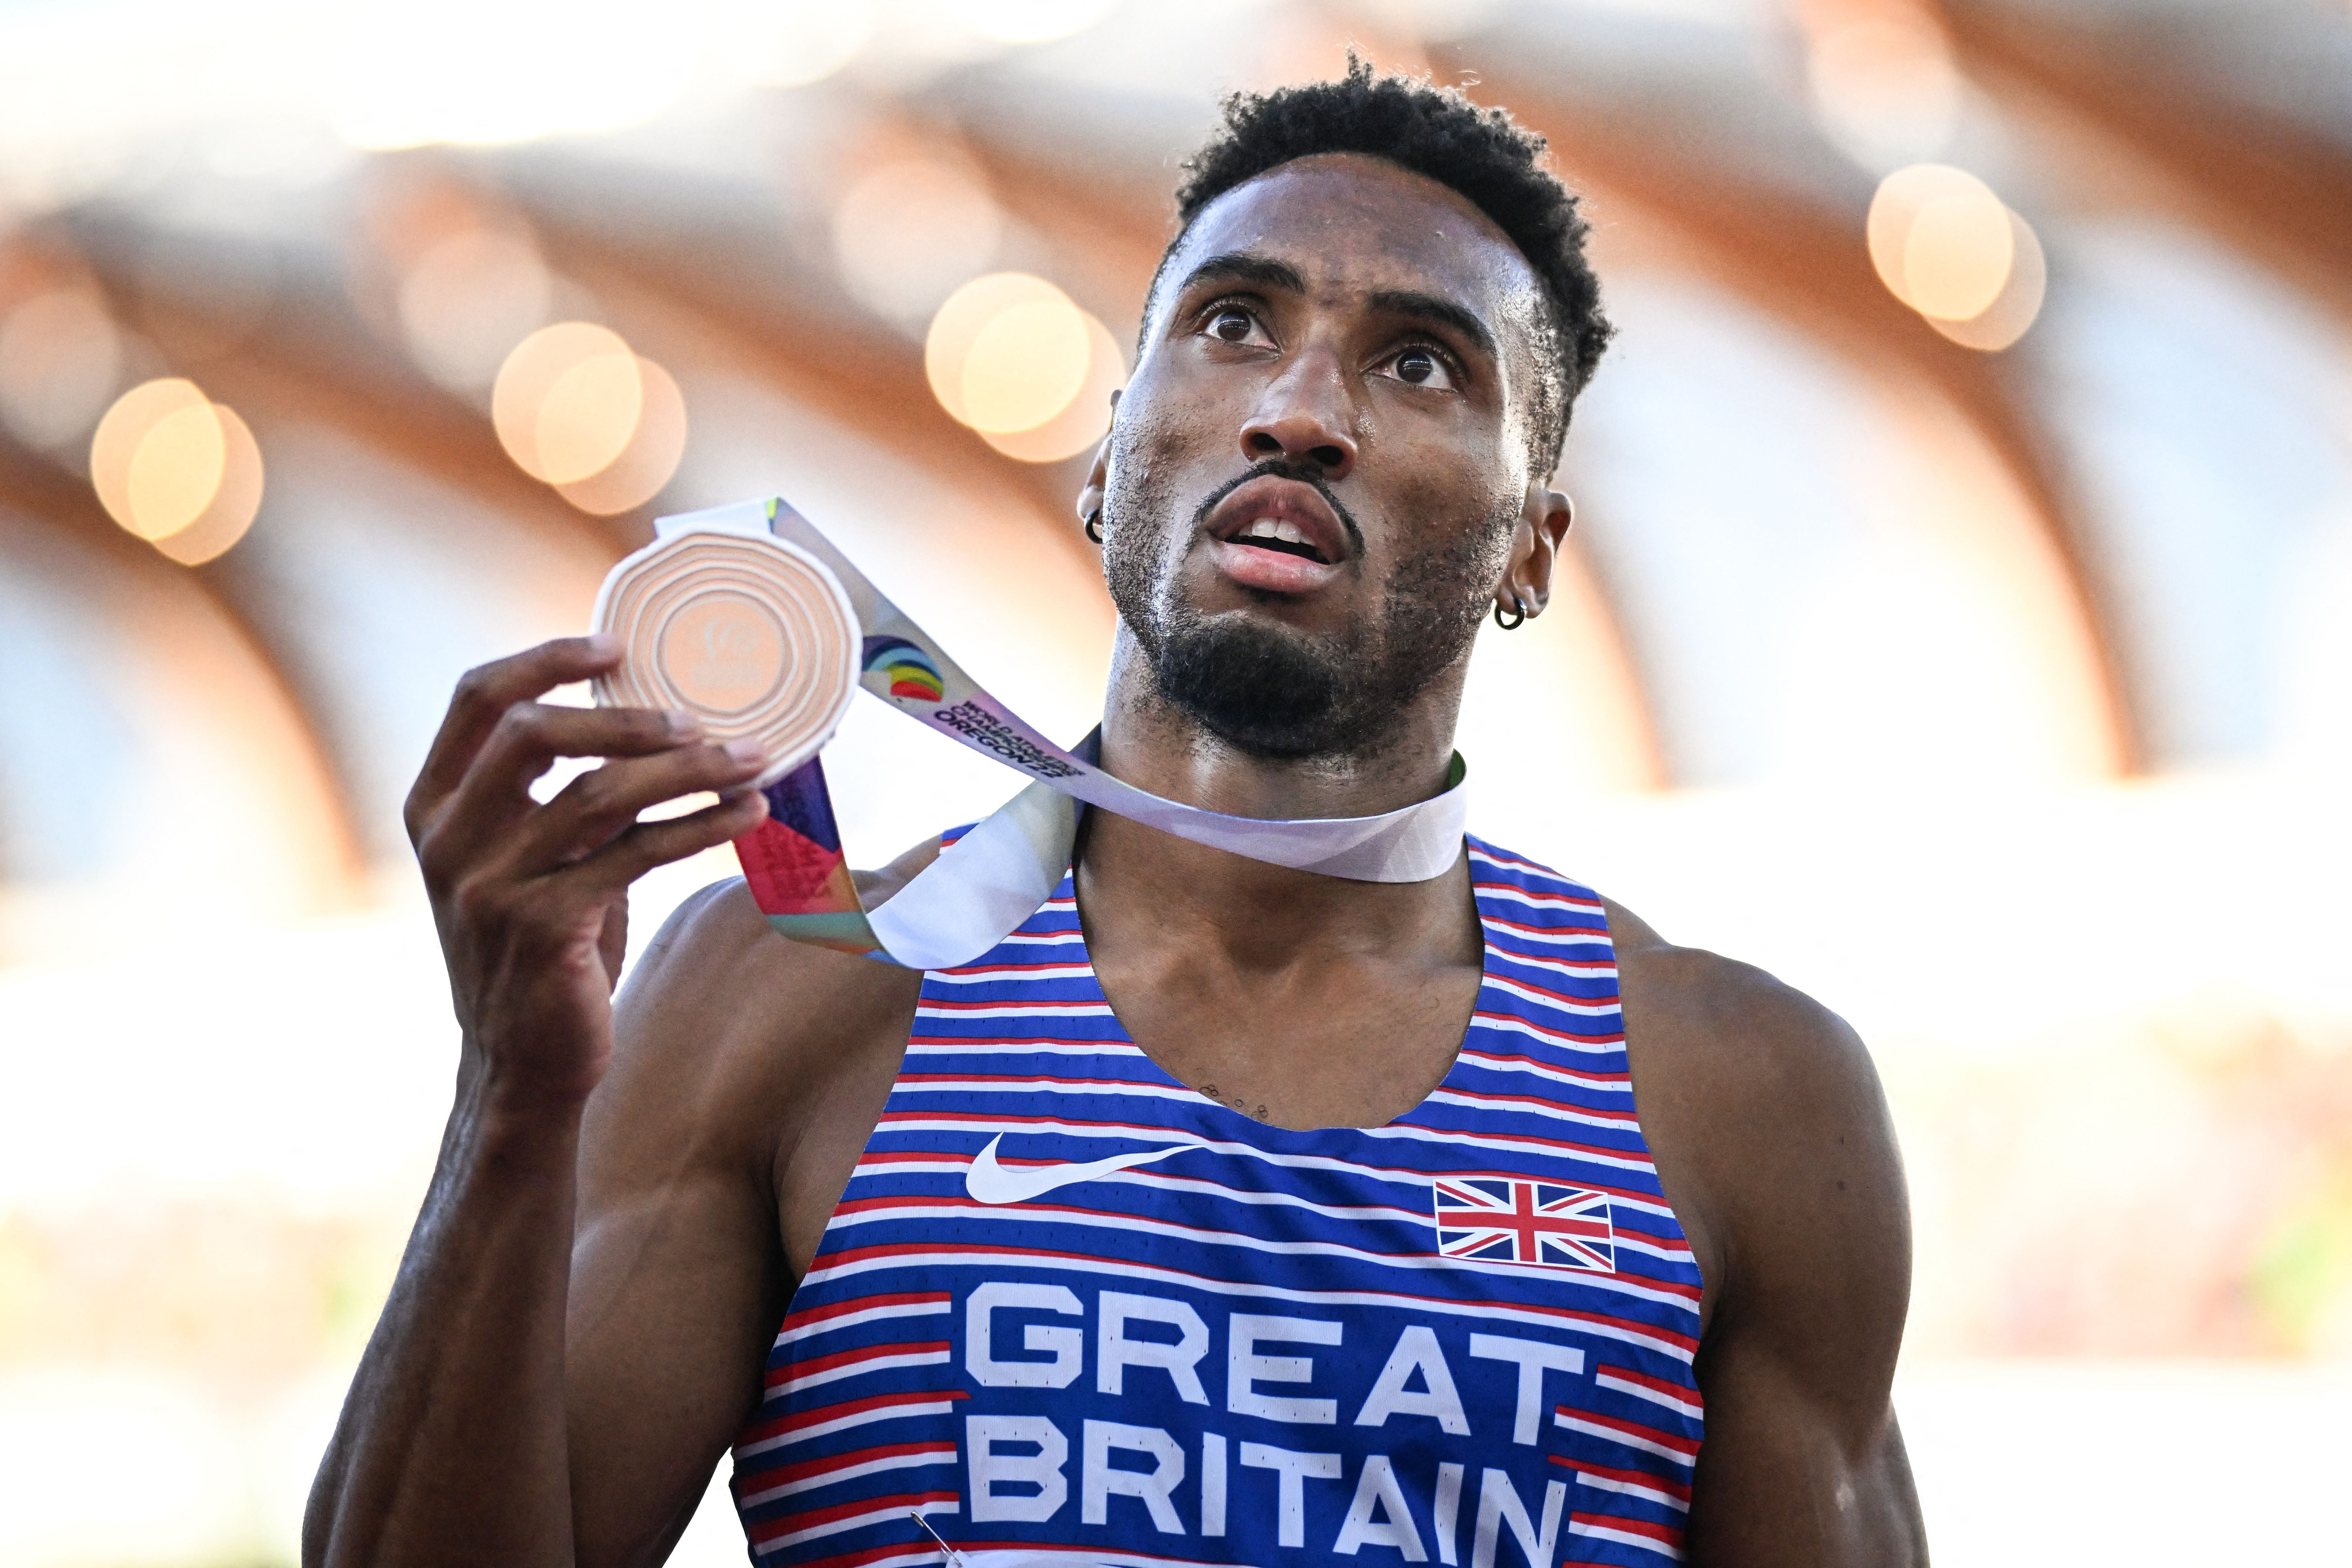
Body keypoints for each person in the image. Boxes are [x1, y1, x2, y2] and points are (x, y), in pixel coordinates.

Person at [305, 64, 1925, 1568]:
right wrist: (511, 1106)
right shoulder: (797, 983)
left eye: (1419, 361)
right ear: (1105, 457)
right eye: (1230, 323)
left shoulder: (1733, 1096)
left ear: (1530, 546)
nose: (1299, 409)